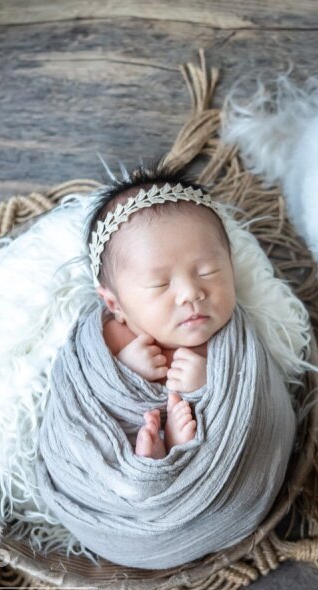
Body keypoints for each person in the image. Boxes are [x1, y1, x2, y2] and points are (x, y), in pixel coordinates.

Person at [86, 167, 236, 459]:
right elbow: (90, 401)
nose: (190, 293)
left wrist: (206, 386)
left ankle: (177, 452)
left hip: (213, 459)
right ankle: (150, 459)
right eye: (160, 284)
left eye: (207, 272)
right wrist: (125, 371)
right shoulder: (112, 337)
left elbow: (249, 403)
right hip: (119, 455)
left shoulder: (232, 342)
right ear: (115, 305)